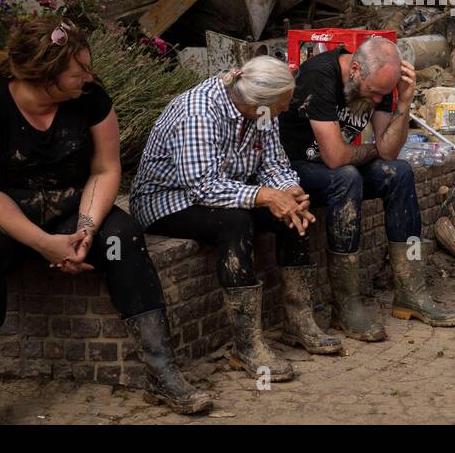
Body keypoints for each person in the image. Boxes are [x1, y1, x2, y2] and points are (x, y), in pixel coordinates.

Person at [0, 16, 207, 424]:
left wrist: (86, 231)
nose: (89, 78)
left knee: (123, 235)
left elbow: (106, 170)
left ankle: (163, 369)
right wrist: (44, 242)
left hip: (63, 204)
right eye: (78, 72)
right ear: (44, 75)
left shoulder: (91, 98)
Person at [131, 58, 341, 383]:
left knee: (293, 213)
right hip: (169, 200)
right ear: (260, 103)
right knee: (236, 222)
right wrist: (268, 196)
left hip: (228, 191)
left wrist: (289, 190)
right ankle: (247, 344)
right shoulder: (198, 112)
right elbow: (203, 186)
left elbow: (274, 164)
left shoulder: (261, 111)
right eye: (282, 105)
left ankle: (298, 322)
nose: (284, 111)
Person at [278, 36, 455, 341]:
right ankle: (346, 307)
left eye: (382, 95)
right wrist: (371, 151)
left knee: (398, 173)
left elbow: (389, 151)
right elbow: (336, 157)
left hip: (339, 166)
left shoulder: (382, 83)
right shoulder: (319, 75)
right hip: (292, 168)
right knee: (347, 176)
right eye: (373, 92)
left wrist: (403, 101)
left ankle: (410, 292)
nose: (376, 100)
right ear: (356, 69)